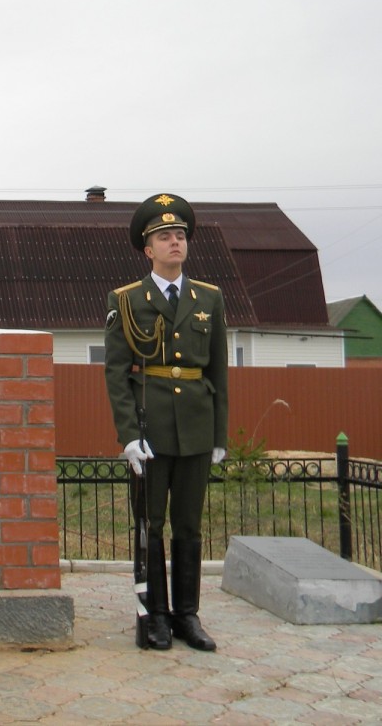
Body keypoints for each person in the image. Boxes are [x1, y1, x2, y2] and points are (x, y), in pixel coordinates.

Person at [104, 193, 228, 652]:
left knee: (189, 525)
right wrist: (128, 436)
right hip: (151, 427)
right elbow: (116, 374)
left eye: (179, 235)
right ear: (147, 249)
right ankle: (155, 614)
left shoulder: (209, 299)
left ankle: (187, 615)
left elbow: (218, 370)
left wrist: (219, 434)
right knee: (151, 524)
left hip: (196, 425)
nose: (174, 242)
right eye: (163, 236)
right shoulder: (127, 300)